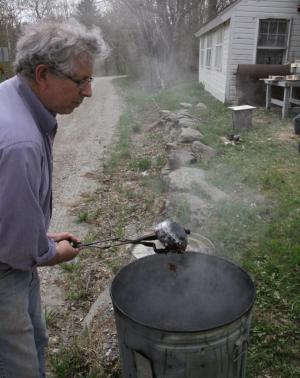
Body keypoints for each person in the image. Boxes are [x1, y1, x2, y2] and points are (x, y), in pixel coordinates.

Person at [0, 20, 101, 378]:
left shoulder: (12, 96)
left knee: (37, 339)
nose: (88, 92)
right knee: (18, 366)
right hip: (5, 271)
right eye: (81, 81)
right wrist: (49, 252)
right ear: (43, 74)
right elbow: (15, 250)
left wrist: (40, 238)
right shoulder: (20, 143)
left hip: (13, 260)